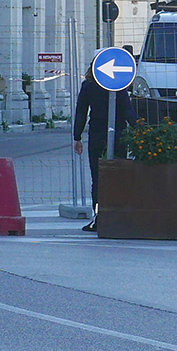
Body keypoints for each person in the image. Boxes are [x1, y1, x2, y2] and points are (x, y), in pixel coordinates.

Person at [73, 52, 136, 232]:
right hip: (119, 136)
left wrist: (77, 137)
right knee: (119, 176)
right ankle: (119, 217)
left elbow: (80, 113)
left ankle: (99, 218)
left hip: (97, 136)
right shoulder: (118, 86)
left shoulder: (88, 86)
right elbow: (128, 111)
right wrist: (141, 131)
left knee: (98, 179)